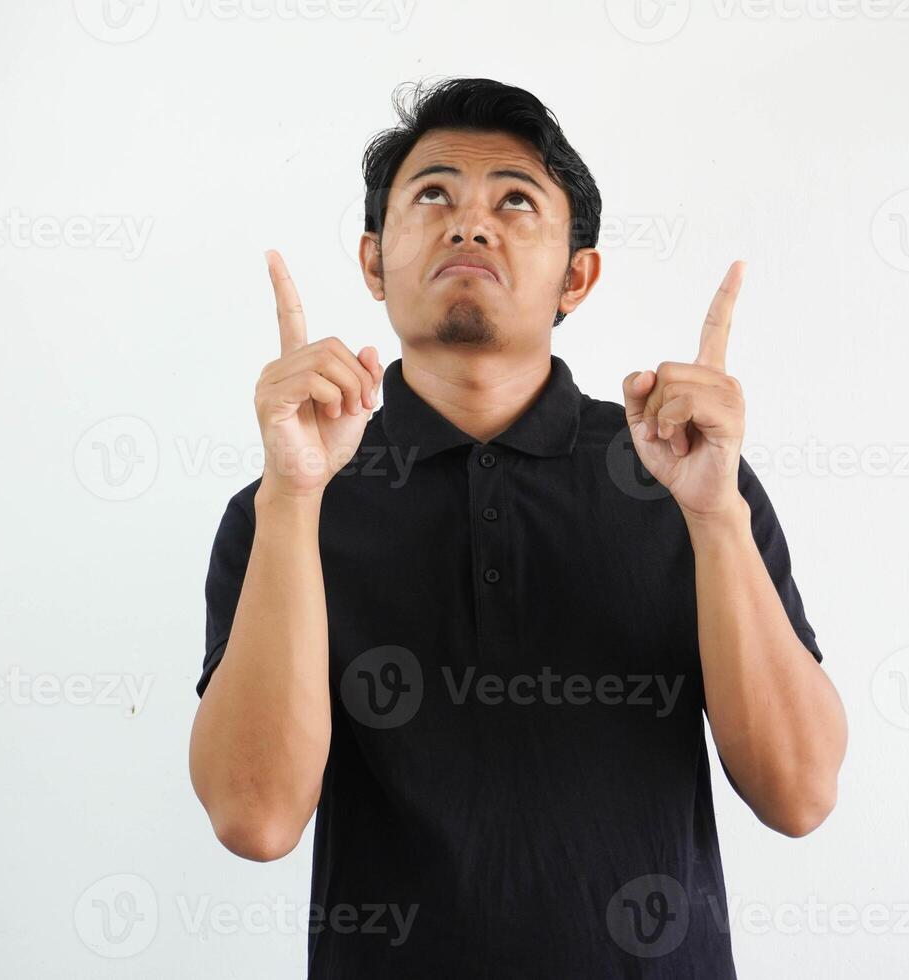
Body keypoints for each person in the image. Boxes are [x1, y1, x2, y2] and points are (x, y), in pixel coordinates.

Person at [188, 76, 847, 978]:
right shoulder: (284, 507)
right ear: (373, 263)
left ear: (576, 274)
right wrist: (295, 499)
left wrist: (716, 516)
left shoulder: (688, 477)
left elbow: (801, 794)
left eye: (515, 200)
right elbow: (254, 820)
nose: (470, 224)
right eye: (433, 195)